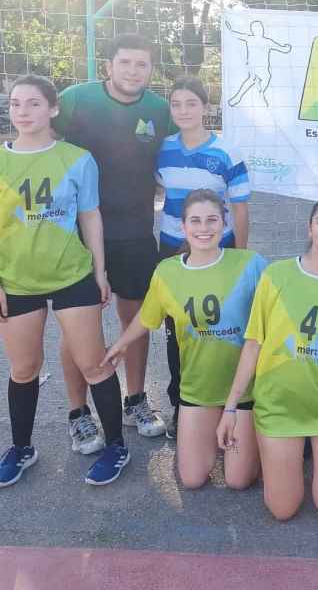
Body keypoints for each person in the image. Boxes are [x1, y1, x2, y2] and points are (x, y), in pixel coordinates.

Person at [0, 75, 129, 487]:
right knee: (24, 368)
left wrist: (100, 271)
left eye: (34, 104)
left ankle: (116, 446)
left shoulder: (77, 159)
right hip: (17, 280)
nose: (23, 112)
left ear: (53, 109)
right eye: (16, 104)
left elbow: (90, 215)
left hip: (72, 275)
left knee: (93, 363)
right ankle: (22, 448)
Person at [217, 195, 318, 521]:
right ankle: (277, 461)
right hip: (279, 407)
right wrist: (230, 407)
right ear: (309, 228)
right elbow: (253, 344)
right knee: (282, 510)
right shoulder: (276, 275)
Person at [101, 190, 266, 490]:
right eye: (196, 221)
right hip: (198, 388)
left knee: (238, 480)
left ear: (224, 223)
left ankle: (250, 435)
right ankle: (212, 428)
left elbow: (289, 289)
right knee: (192, 479)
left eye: (212, 220)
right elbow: (147, 317)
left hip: (244, 391)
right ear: (183, 226)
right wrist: (121, 344)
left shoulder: (251, 264)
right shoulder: (168, 271)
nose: (204, 228)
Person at [53, 33, 172, 448]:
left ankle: (135, 399)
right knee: (78, 326)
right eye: (125, 62)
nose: (133, 71)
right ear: (108, 66)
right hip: (78, 236)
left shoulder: (159, 109)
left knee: (136, 319)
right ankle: (78, 412)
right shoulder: (75, 99)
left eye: (142, 64)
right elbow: (40, 138)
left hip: (136, 232)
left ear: (151, 70)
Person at [157, 76, 251, 438]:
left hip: (218, 250)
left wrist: (239, 259)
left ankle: (232, 402)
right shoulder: (162, 149)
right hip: (172, 250)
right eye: (176, 104)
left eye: (191, 103)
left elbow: (240, 210)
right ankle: (182, 404)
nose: (183, 111)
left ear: (206, 108)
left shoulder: (227, 152)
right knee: (179, 332)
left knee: (225, 329)